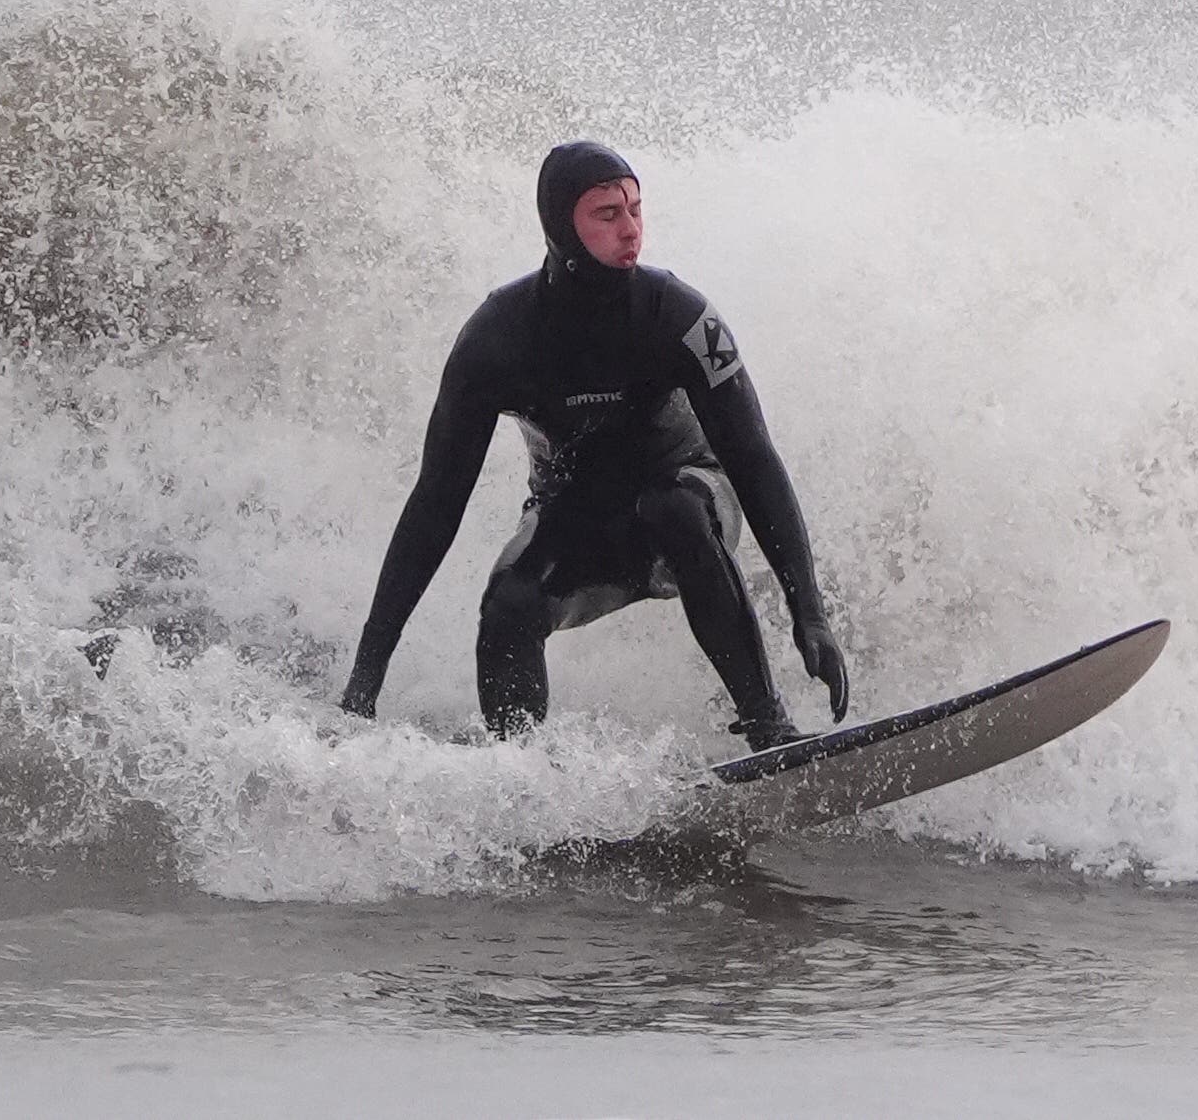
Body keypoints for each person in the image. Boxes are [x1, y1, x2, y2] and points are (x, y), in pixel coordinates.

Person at [341, 139, 848, 749]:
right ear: (561, 225)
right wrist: (369, 669)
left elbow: (755, 462)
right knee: (509, 602)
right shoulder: (497, 339)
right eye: (607, 214)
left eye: (635, 208)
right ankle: (521, 785)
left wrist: (809, 614)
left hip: (692, 501)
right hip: (577, 522)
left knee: (675, 506)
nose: (631, 229)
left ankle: (768, 726)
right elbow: (436, 502)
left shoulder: (680, 316)